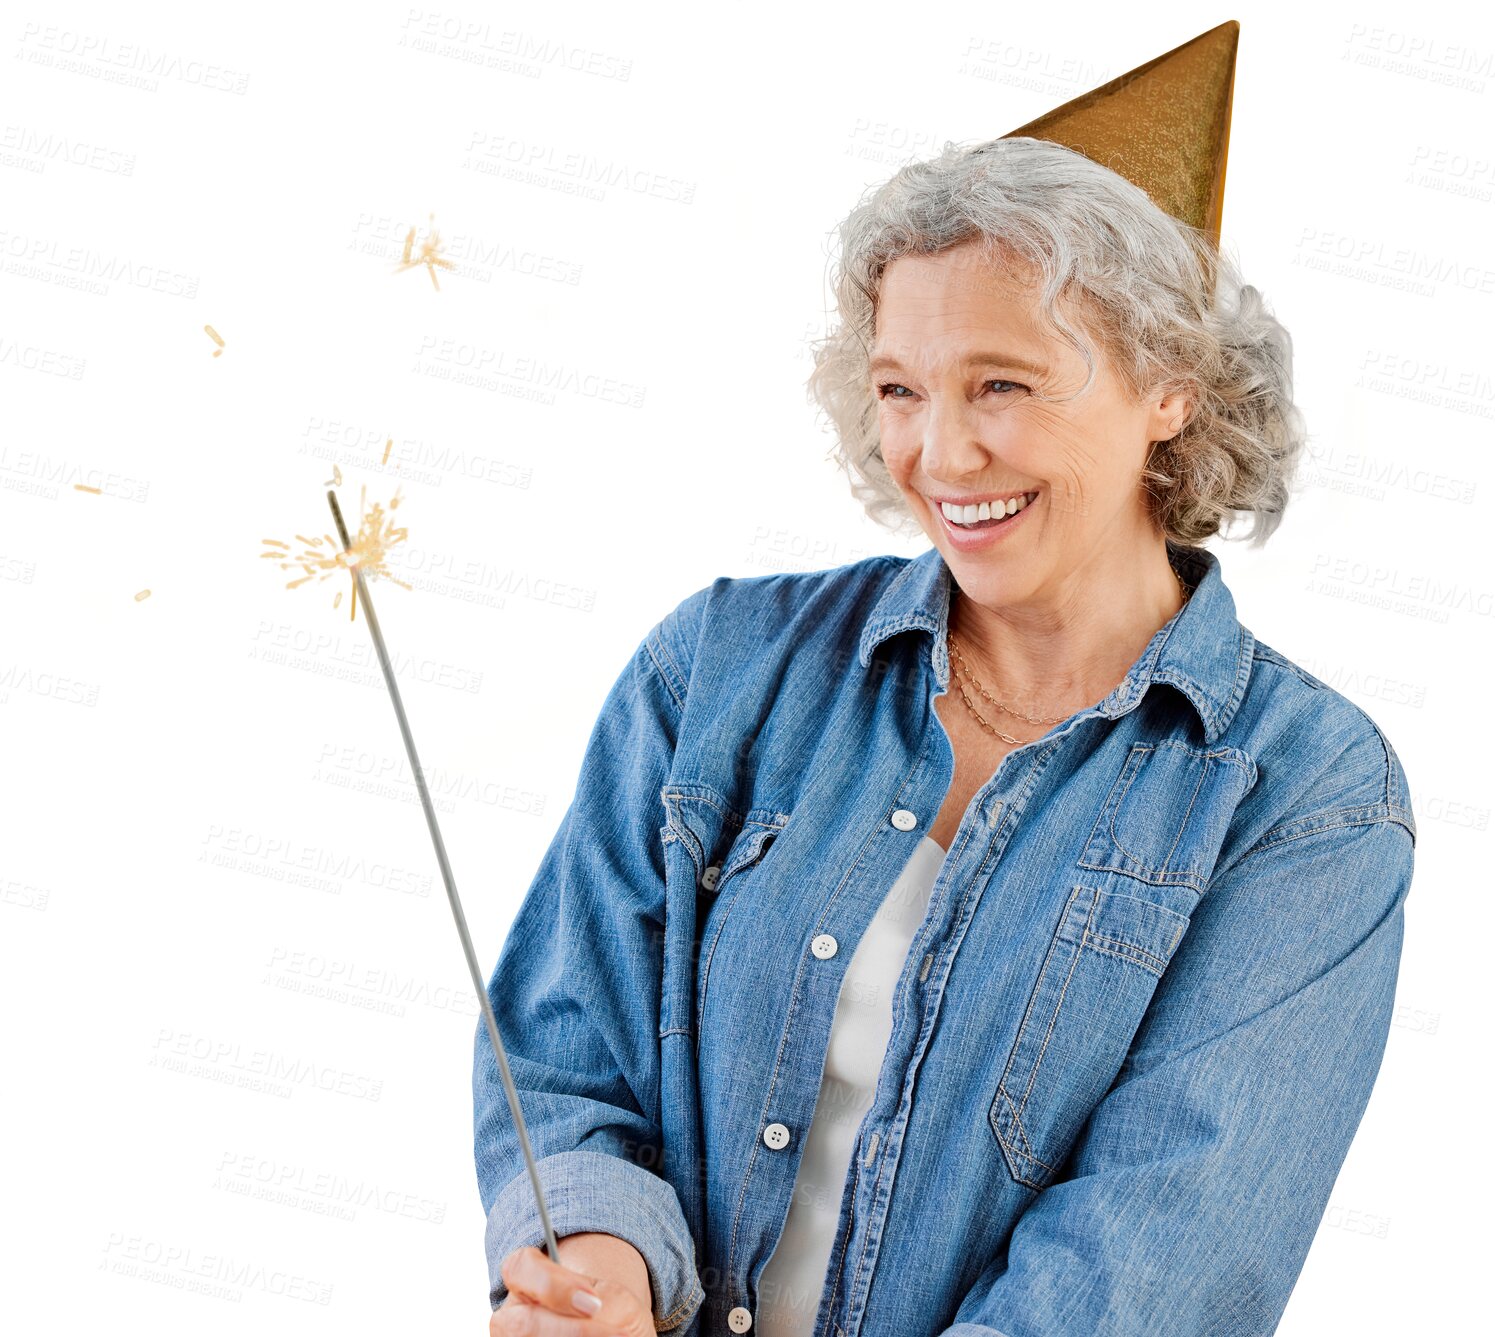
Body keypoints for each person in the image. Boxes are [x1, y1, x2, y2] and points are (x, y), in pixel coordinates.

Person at [475, 27, 1417, 1337]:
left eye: (1003, 384)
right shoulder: (721, 670)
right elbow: (564, 1052)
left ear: (1171, 386)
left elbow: (1156, 1261)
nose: (940, 450)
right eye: (900, 389)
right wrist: (599, 1262)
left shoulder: (1304, 796)